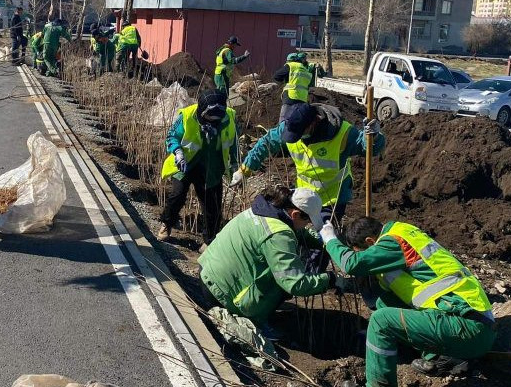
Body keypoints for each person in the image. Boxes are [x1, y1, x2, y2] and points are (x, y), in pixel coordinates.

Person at [320, 217, 497, 387]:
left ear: (371, 242)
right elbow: (385, 295)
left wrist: (330, 239)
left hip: (466, 325)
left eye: (363, 251)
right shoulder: (403, 232)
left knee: (381, 321)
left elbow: (352, 264)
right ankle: (443, 358)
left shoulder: (392, 241)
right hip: (470, 328)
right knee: (385, 304)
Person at [198, 186, 344, 326]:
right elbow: (295, 284)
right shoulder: (279, 234)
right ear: (295, 214)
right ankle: (256, 320)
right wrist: (330, 279)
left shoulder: (266, 209)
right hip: (220, 294)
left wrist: (327, 241)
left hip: (207, 273)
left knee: (281, 267)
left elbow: (299, 232)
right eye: (308, 221)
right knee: (283, 280)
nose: (308, 225)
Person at [231, 102, 385, 223]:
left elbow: (369, 149)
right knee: (294, 232)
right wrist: (244, 170)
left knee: (322, 243)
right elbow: (266, 143)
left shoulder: (343, 133)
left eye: (300, 134)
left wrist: (374, 137)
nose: (296, 138)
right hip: (303, 194)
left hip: (331, 199)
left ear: (314, 122)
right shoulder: (292, 127)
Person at [157, 90, 239, 250]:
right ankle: (167, 223)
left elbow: (233, 142)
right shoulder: (187, 116)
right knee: (177, 195)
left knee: (212, 205)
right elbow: (172, 136)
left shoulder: (229, 118)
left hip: (211, 166)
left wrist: (236, 166)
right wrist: (178, 152)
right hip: (186, 163)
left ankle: (208, 241)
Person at [272, 51, 325, 121]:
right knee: (297, 120)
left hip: (290, 96)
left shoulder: (291, 65)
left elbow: (276, 76)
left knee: (284, 120)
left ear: (289, 61)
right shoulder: (305, 70)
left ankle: (282, 131)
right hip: (303, 98)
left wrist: (284, 80)